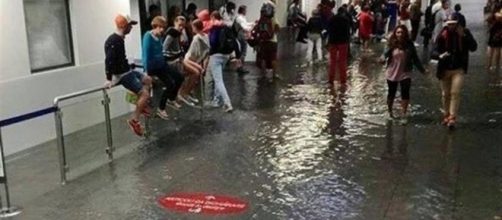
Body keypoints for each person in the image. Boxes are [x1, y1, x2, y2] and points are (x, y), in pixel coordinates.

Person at [105, 14, 152, 136]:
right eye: (130, 26)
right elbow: (109, 60)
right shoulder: (114, 40)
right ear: (124, 26)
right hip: (122, 74)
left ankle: (142, 105)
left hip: (127, 70)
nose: (131, 28)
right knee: (145, 94)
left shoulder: (119, 39)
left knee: (147, 79)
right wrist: (108, 79)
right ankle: (134, 119)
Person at [432, 15, 477, 128]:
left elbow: (473, 47)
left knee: (455, 93)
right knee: (445, 94)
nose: (451, 26)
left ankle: (452, 117)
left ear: (457, 24)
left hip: (458, 69)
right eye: (449, 24)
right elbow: (434, 51)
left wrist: (465, 36)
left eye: (453, 23)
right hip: (444, 69)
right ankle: (446, 114)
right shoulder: (442, 34)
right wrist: (440, 55)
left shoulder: (464, 33)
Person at [380, 25, 426, 124]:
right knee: (391, 93)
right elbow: (385, 54)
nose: (400, 34)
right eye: (398, 32)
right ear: (395, 34)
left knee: (405, 92)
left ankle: (403, 114)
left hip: (406, 72)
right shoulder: (391, 44)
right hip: (392, 72)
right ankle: (390, 112)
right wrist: (382, 58)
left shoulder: (409, 45)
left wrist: (423, 70)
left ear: (405, 33)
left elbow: (415, 59)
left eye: (402, 32)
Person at [143, 16, 184, 120]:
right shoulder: (148, 36)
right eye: (160, 27)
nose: (162, 30)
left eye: (163, 28)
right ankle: (161, 108)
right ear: (155, 26)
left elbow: (161, 51)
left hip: (161, 64)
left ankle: (171, 98)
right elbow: (146, 54)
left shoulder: (159, 37)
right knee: (170, 83)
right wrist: (146, 71)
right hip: (153, 66)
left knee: (179, 77)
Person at [207, 11, 241, 112]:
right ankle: (216, 100)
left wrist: (209, 52)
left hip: (216, 55)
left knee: (218, 80)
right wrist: (238, 56)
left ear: (213, 17)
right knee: (219, 77)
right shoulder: (226, 27)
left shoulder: (214, 27)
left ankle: (227, 104)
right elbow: (234, 41)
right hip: (226, 55)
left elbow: (212, 42)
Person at [181, 19, 210, 105]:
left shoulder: (196, 38)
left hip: (190, 59)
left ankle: (185, 93)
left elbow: (193, 52)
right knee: (194, 76)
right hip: (198, 61)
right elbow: (206, 54)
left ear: (195, 27)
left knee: (191, 75)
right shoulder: (206, 36)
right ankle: (187, 93)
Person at [327, 7, 351, 85]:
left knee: (332, 61)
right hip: (343, 42)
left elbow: (329, 30)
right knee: (342, 61)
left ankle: (331, 79)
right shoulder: (346, 20)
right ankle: (343, 80)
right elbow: (348, 32)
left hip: (333, 41)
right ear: (343, 12)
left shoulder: (331, 19)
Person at [236, 5, 254, 74]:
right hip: (242, 36)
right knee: (243, 52)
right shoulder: (240, 18)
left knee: (242, 52)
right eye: (245, 10)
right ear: (242, 10)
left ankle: (240, 66)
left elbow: (245, 24)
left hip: (241, 35)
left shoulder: (241, 17)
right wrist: (251, 27)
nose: (246, 11)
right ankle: (240, 67)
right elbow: (245, 27)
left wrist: (252, 23)